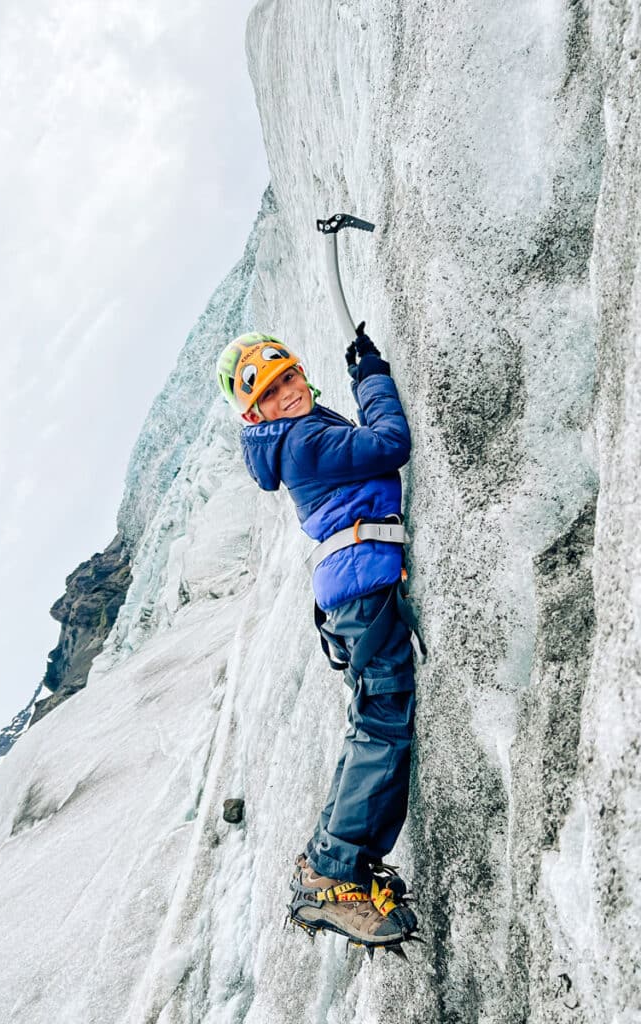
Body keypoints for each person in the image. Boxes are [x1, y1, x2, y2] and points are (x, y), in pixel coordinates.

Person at [216, 328, 419, 950]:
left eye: (290, 377)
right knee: (382, 722)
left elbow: (357, 456)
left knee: (377, 719)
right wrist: (372, 378)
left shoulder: (293, 437)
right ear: (253, 412)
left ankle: (337, 866)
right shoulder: (303, 440)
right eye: (272, 391)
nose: (290, 391)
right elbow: (390, 444)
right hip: (360, 586)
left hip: (353, 586)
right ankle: (332, 869)